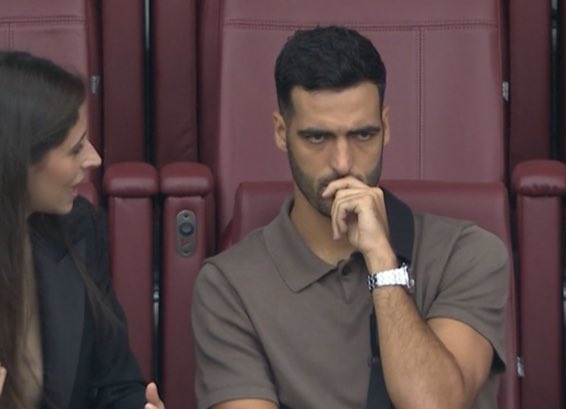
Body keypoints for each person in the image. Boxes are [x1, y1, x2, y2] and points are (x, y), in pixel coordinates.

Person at [192, 26, 508, 409]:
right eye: (317, 137)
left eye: (362, 135)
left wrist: (383, 264)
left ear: (385, 128)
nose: (343, 163)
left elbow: (434, 404)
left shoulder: (468, 254)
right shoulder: (228, 286)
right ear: (281, 132)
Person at [0, 50, 165, 409]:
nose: (94, 159)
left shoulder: (78, 229)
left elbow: (115, 384)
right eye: (75, 149)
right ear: (16, 160)